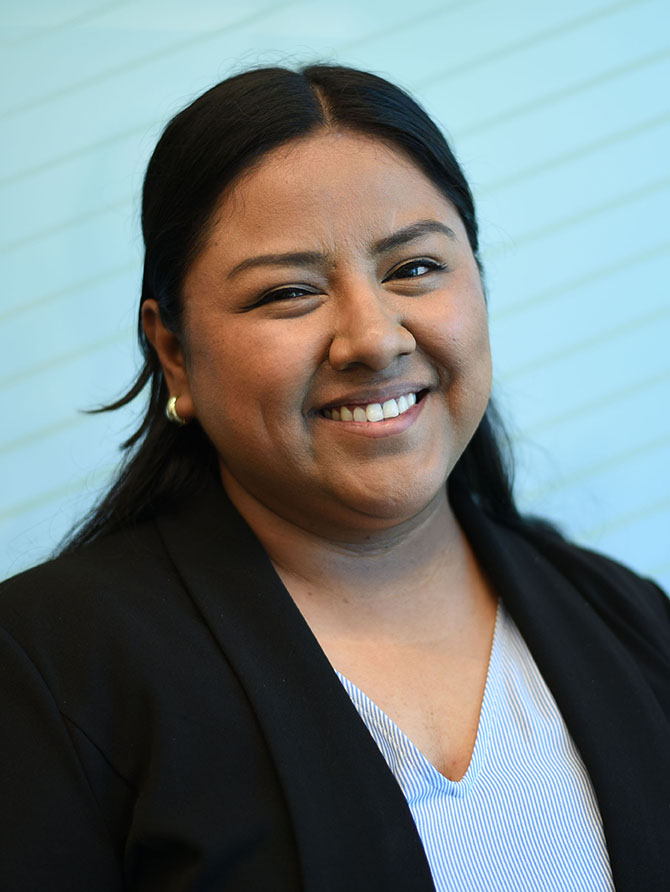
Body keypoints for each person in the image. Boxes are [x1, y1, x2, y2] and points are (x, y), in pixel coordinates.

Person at [0, 64, 668, 892]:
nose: (374, 338)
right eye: (289, 291)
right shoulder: (45, 669)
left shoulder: (634, 623)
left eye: (415, 269)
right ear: (173, 351)